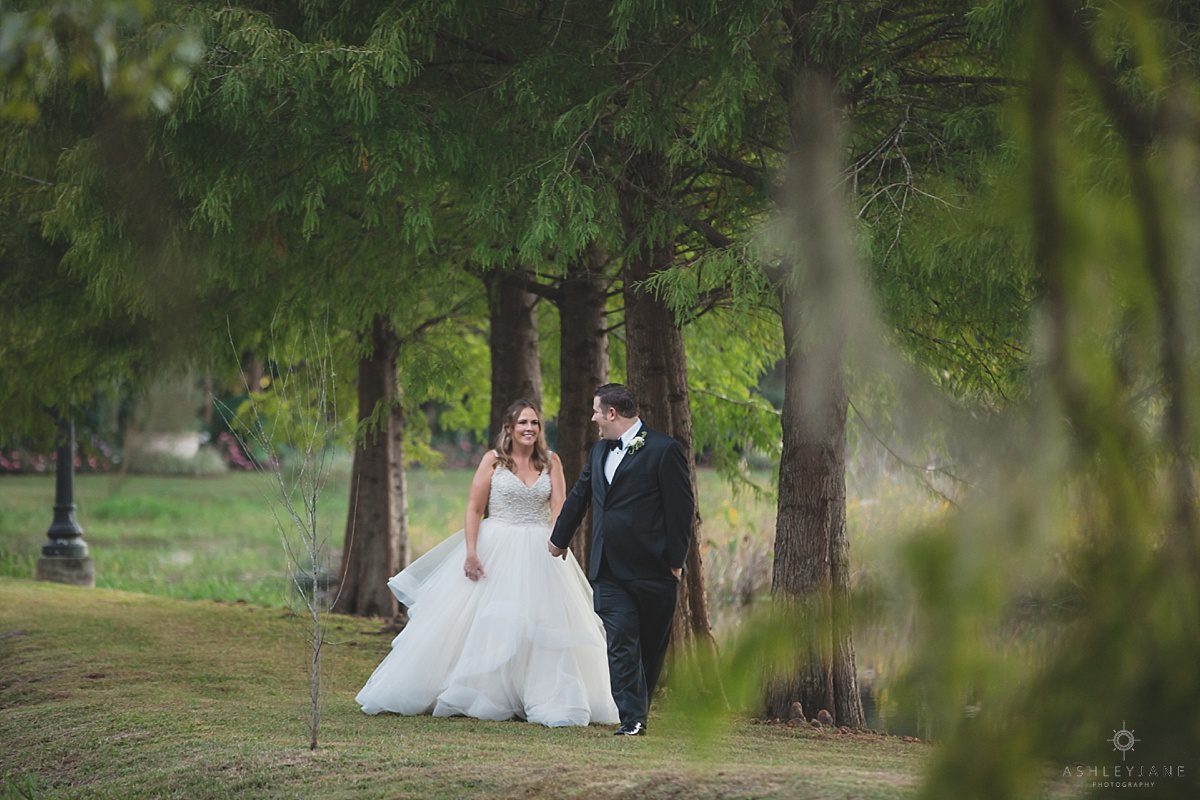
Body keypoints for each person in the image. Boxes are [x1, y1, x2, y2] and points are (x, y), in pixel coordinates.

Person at [356, 400, 618, 727]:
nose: (529, 428)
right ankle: (483, 692)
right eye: (522, 422)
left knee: (543, 622)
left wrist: (559, 541)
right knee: (491, 619)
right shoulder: (493, 461)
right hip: (497, 545)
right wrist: (470, 551)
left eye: (535, 423)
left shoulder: (552, 462)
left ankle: (544, 694)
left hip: (540, 547)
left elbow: (560, 507)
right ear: (508, 428)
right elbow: (473, 508)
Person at [548, 383, 694, 736]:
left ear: (612, 413)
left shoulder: (664, 450)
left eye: (597, 411)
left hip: (654, 569)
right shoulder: (599, 451)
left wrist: (675, 562)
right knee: (621, 643)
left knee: (650, 649)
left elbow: (681, 510)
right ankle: (633, 719)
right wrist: (558, 538)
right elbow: (581, 494)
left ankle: (639, 707)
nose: (593, 417)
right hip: (609, 569)